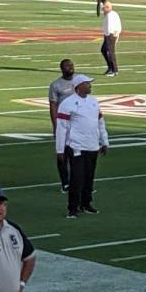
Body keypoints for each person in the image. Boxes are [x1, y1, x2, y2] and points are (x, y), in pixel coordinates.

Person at [56, 74, 108, 217]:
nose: (90, 86)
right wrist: (60, 149)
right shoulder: (67, 103)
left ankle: (86, 204)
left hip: (92, 146)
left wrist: (104, 141)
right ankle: (72, 208)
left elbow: (100, 122)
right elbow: (61, 127)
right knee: (76, 179)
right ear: (78, 86)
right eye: (87, 83)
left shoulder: (93, 101)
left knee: (89, 178)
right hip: (76, 146)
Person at [45, 57, 80, 196]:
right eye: (67, 66)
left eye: (71, 65)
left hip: (78, 123)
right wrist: (55, 125)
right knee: (62, 154)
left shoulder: (79, 81)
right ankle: (65, 182)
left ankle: (78, 182)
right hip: (63, 123)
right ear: (61, 68)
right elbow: (53, 106)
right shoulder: (56, 85)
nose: (70, 67)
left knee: (78, 153)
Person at [99, 0, 123, 76]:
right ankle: (110, 67)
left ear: (107, 8)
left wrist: (114, 35)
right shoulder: (111, 14)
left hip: (111, 35)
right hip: (108, 35)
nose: (103, 10)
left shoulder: (110, 15)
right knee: (103, 50)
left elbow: (112, 27)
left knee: (111, 52)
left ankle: (114, 70)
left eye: (104, 8)